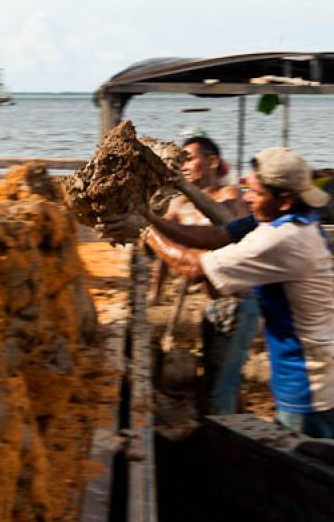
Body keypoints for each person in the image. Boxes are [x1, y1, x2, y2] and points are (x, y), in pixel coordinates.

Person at [101, 147, 334, 438]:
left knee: (308, 464)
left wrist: (142, 230)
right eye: (246, 187)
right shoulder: (283, 218)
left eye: (255, 193)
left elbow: (193, 267)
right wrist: (147, 216)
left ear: (284, 200)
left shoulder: (284, 239)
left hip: (310, 383)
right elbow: (217, 235)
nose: (246, 197)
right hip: (305, 371)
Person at [146, 136, 260, 415]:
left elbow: (226, 230)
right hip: (215, 302)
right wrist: (154, 290)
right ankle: (230, 423)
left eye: (189, 159)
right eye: (180, 160)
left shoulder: (230, 197)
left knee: (220, 386)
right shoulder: (178, 205)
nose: (183, 166)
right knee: (216, 375)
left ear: (211, 162)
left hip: (238, 302)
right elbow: (163, 245)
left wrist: (148, 230)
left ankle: (230, 435)